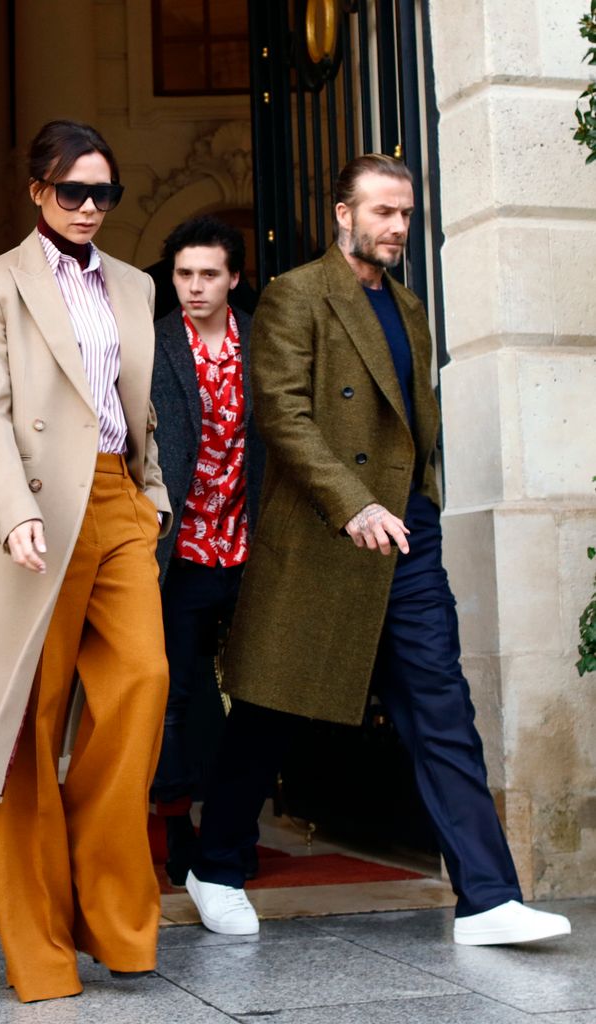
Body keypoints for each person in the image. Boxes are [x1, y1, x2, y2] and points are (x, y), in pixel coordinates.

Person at [185, 154, 572, 946]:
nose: (397, 226)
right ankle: (216, 865)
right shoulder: (297, 295)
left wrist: (415, 502)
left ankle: (488, 898)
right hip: (326, 534)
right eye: (382, 212)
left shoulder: (411, 307)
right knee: (268, 710)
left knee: (442, 711)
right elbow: (283, 416)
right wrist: (353, 502)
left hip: (406, 536)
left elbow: (412, 422)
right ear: (342, 213)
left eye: (404, 213)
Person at [0, 120, 171, 1002]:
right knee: (26, 730)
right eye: (73, 191)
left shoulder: (134, 283)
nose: (89, 208)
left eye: (103, 194)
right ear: (38, 191)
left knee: (143, 685)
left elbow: (139, 398)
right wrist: (12, 513)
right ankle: (40, 952)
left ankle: (111, 913)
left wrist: (153, 498)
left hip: (118, 501)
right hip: (38, 507)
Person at [150, 216, 264, 885]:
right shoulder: (154, 342)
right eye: (184, 274)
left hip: (249, 547)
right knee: (177, 694)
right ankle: (177, 827)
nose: (194, 287)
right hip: (180, 550)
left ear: (234, 278)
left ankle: (234, 825)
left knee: (254, 695)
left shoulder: (263, 340)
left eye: (208, 275)